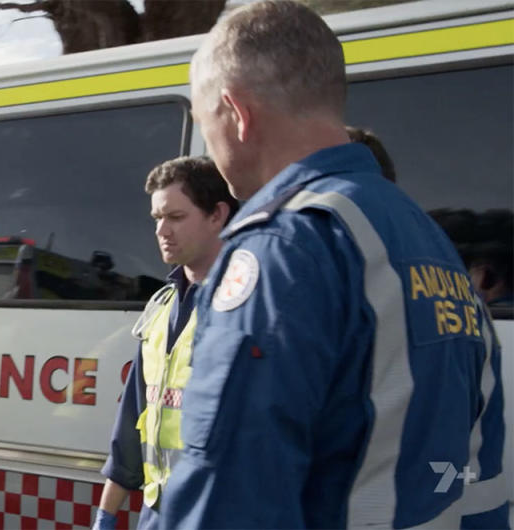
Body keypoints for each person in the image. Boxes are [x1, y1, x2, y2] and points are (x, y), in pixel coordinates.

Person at [160, 1, 507, 528]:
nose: (211, 147)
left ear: (237, 113)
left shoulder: (284, 244)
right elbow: (477, 473)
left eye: (206, 124)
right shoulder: (425, 238)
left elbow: (231, 494)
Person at [92, 156, 237, 530]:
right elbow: (131, 422)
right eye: (157, 218)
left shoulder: (242, 306)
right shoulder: (161, 306)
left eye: (175, 217)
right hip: (157, 515)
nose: (161, 230)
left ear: (217, 215)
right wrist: (106, 515)